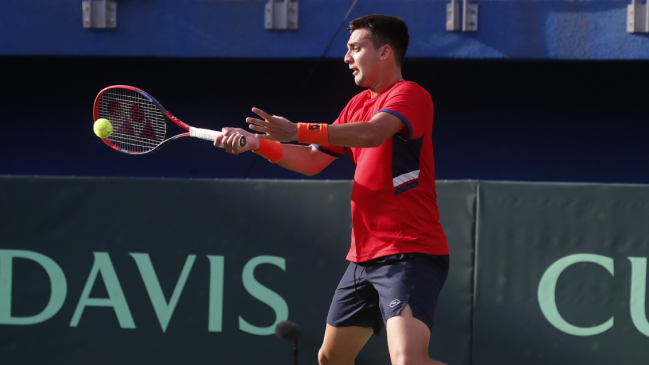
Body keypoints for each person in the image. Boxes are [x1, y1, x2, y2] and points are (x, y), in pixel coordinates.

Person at [217, 14, 449, 365]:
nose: (346, 58)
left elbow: (373, 133)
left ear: (385, 52)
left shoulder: (410, 95)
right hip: (362, 258)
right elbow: (311, 161)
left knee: (409, 361)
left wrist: (296, 129)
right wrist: (256, 144)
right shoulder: (357, 104)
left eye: (355, 48)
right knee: (331, 358)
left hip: (408, 253)